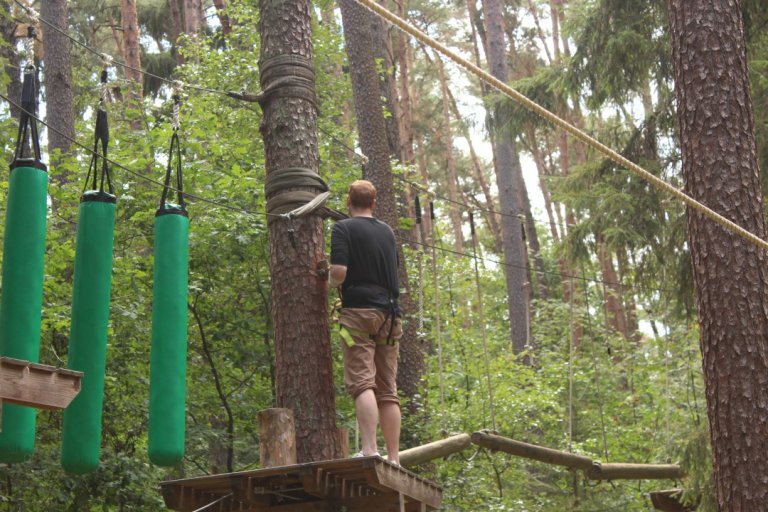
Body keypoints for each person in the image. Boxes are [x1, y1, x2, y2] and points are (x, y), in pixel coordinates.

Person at [329, 180, 402, 464]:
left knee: (362, 383)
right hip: (390, 315)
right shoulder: (387, 232)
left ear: (349, 202)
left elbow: (339, 272)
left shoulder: (343, 228)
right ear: (373, 203)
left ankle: (370, 449)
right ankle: (394, 457)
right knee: (388, 388)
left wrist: (327, 281)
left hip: (359, 312)